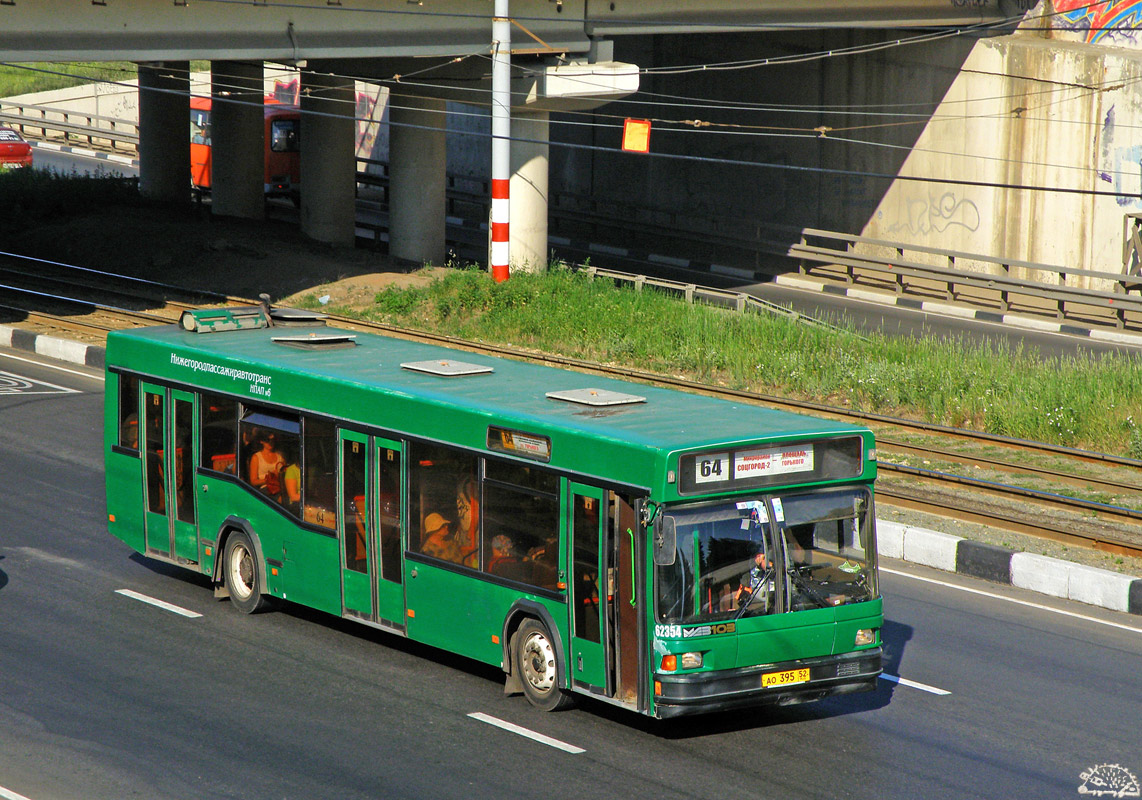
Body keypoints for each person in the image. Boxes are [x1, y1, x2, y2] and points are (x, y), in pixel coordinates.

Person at [249, 431, 285, 497]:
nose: (270, 443)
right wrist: (269, 479)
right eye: (267, 440)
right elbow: (253, 481)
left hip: (280, 486)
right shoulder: (256, 457)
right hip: (265, 489)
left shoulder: (280, 456)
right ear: (261, 441)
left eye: (272, 440)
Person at [736, 548, 773, 612]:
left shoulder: (778, 571)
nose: (758, 558)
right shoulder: (747, 577)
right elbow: (737, 598)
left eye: (763, 557)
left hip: (774, 605)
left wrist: (764, 562)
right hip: (754, 608)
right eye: (756, 556)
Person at [455, 478, 479, 567]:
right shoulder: (460, 483)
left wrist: (471, 531)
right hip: (465, 530)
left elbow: (476, 509)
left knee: (473, 560)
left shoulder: (469, 483)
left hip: (473, 531)